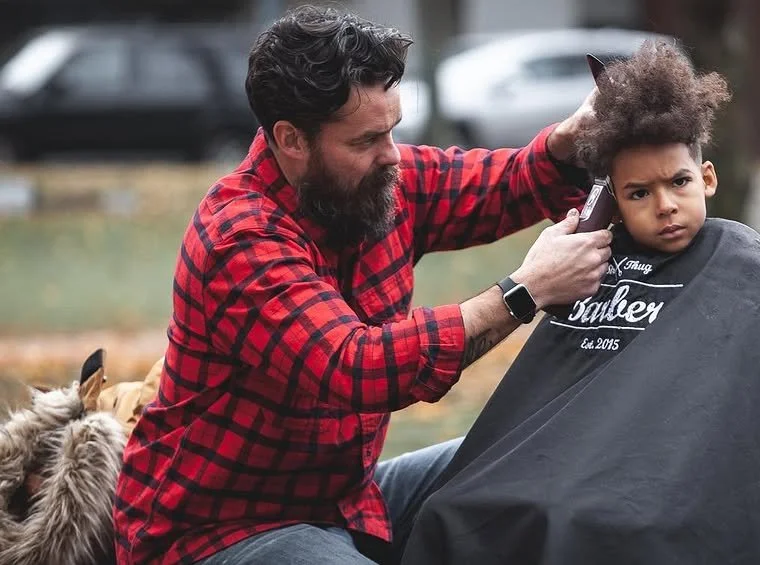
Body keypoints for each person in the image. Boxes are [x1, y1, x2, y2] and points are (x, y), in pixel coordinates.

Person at [111, 6, 612, 565]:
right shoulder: (239, 235)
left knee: (540, 455)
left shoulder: (370, 185)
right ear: (291, 140)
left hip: (343, 503)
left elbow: (504, 182)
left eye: (393, 130)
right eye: (366, 140)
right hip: (215, 532)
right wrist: (523, 292)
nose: (391, 156)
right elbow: (354, 366)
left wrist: (568, 140)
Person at [400, 41, 760, 565]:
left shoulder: (747, 270)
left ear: (708, 178)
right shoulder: (591, 267)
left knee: (603, 527)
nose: (666, 205)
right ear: (614, 202)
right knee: (458, 509)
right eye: (638, 194)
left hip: (662, 487)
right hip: (568, 469)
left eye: (679, 182)